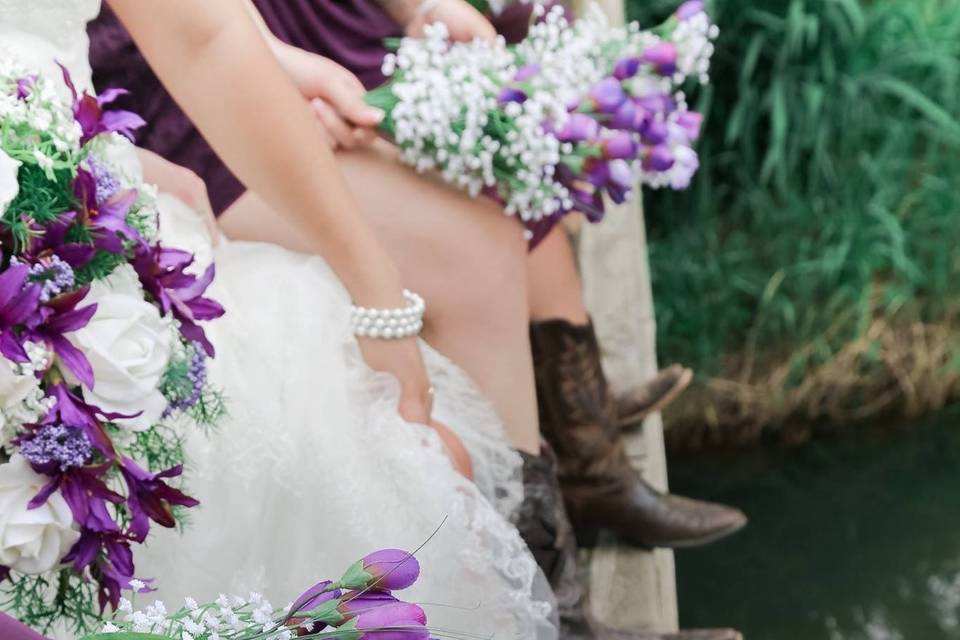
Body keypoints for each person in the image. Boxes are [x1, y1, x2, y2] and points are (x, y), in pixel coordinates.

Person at [87, 2, 746, 639]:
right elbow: (199, 37)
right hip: (152, 114)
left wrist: (296, 58)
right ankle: (553, 587)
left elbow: (209, 28)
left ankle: (566, 532)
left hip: (216, 68)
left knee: (491, 221)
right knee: (473, 250)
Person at [1, 0, 560, 638]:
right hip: (48, 273)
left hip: (79, 249)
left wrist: (378, 296)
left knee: (404, 456)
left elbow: (203, 34)